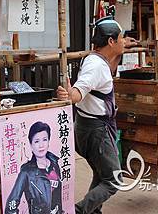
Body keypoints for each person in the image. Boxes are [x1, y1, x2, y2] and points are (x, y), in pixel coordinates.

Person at [56, 16, 137, 214]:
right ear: (110, 41)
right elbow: (79, 91)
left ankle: (93, 211)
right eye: (120, 38)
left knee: (102, 175)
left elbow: (93, 80)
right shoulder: (96, 66)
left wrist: (126, 44)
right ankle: (79, 211)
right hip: (96, 132)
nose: (122, 41)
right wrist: (70, 94)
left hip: (87, 126)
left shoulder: (94, 58)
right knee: (114, 179)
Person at [4, 121, 62, 214]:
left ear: (48, 141)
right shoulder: (26, 172)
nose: (41, 145)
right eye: (36, 141)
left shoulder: (54, 163)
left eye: (44, 139)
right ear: (31, 145)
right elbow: (11, 204)